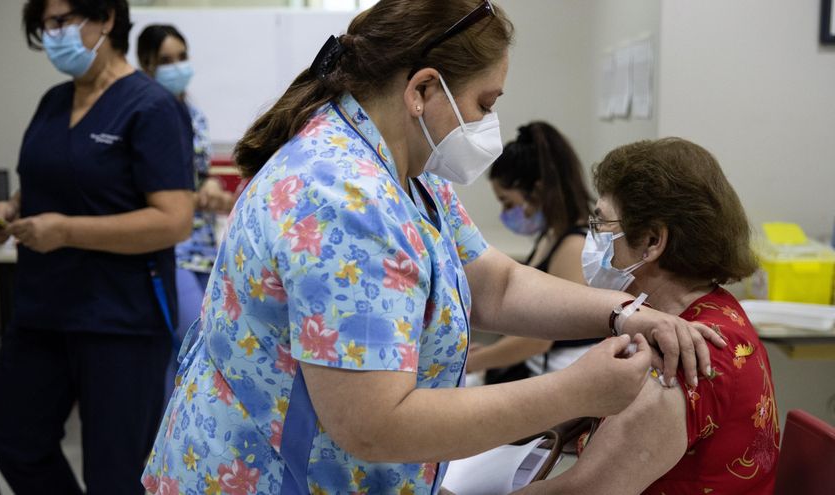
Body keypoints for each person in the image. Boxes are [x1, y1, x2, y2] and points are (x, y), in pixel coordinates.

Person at [141, 2, 723, 494]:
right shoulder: (343, 200)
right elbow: (372, 424)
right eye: (485, 105)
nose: (488, 124)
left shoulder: (408, 169)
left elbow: (495, 282)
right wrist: (573, 391)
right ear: (423, 89)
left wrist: (620, 313)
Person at [0, 1, 194, 493]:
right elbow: (45, 181)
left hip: (119, 318)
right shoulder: (53, 102)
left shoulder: (151, 106)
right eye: (46, 26)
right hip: (41, 312)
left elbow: (174, 220)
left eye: (62, 21)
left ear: (107, 19)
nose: (53, 35)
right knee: (13, 439)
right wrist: (7, 211)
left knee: (113, 474)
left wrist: (68, 231)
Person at [520, 138, 780, 494]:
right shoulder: (703, 310)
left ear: (653, 241)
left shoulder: (682, 353)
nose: (591, 242)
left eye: (602, 224)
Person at [137, 23, 235, 399]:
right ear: (146, 65)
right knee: (197, 340)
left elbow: (201, 173)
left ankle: (166, 444)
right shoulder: (142, 116)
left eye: (181, 57)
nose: (177, 67)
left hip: (203, 248)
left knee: (179, 354)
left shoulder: (193, 115)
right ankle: (170, 442)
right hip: (169, 248)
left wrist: (211, 188)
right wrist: (194, 198)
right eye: (165, 60)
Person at [467, 121, 599, 382]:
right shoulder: (551, 237)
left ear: (537, 190)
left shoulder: (573, 247)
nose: (506, 214)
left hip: (562, 376)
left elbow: (541, 338)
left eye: (508, 202)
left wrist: (474, 361)